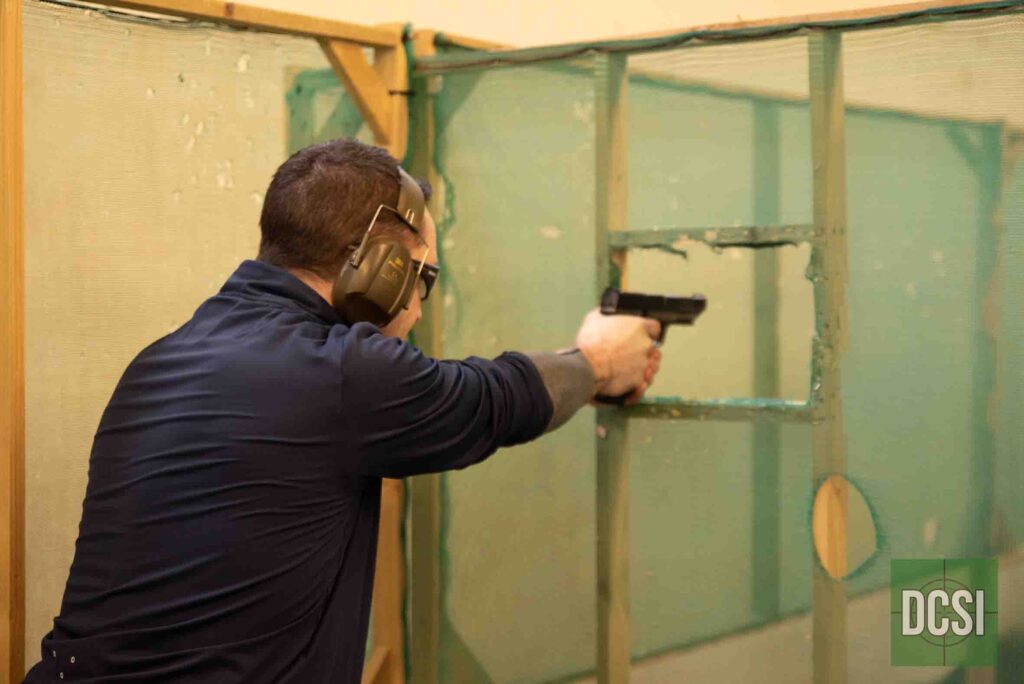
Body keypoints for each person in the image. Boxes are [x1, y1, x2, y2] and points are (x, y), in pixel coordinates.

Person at [24, 138, 661, 683]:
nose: (419, 306)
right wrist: (601, 361)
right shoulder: (341, 372)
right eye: (423, 278)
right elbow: (498, 399)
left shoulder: (161, 359)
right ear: (383, 272)